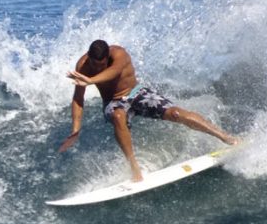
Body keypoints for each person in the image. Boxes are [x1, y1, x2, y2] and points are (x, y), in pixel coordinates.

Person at [59, 39, 238, 182]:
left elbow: (113, 72)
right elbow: (78, 98)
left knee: (176, 113)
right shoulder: (83, 65)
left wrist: (90, 80)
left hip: (137, 93)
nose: (96, 68)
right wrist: (75, 129)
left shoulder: (119, 54)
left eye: (100, 65)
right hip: (113, 102)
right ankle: (134, 166)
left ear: (107, 57)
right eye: (93, 64)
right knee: (118, 114)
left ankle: (224, 136)